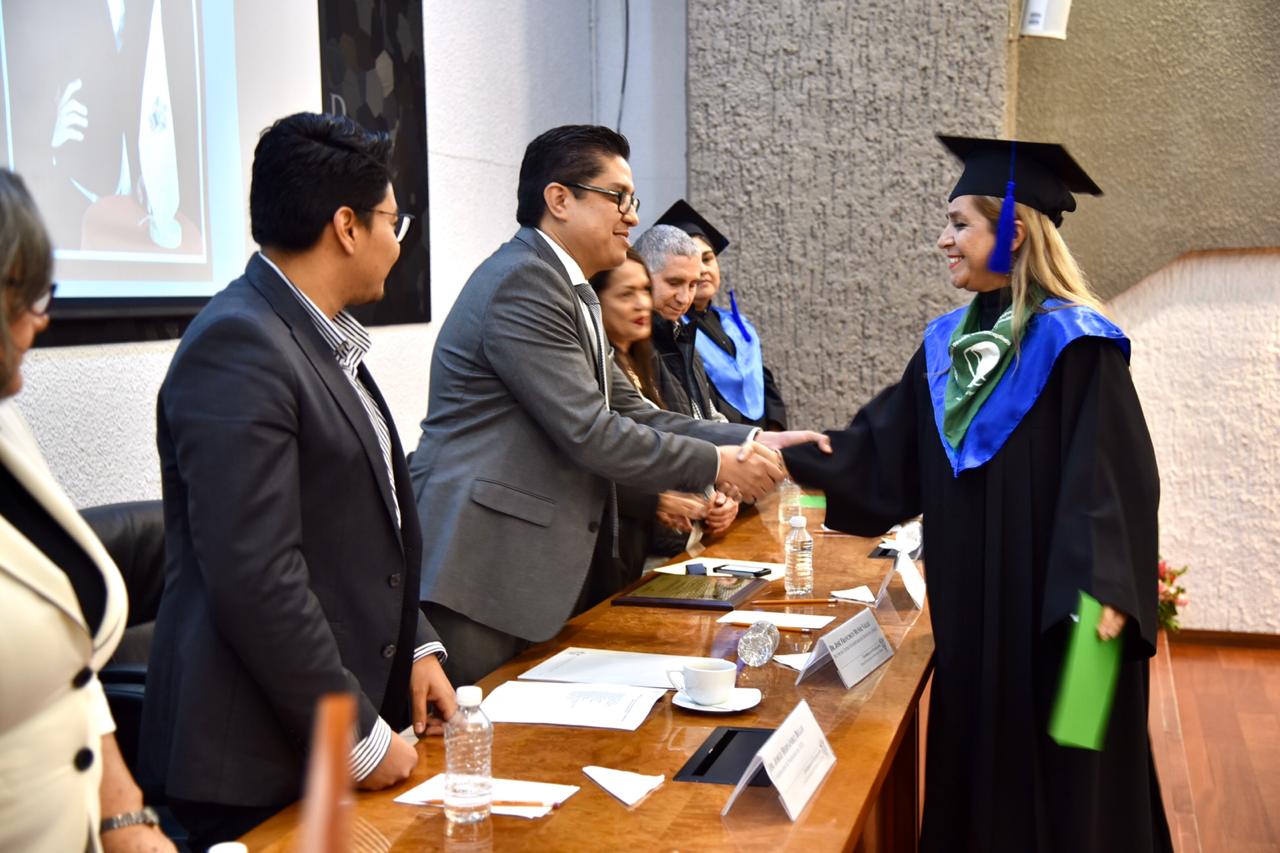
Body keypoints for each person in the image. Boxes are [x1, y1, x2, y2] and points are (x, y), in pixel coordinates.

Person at [783, 135, 1172, 851]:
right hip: (973, 625)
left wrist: (1105, 594)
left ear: (1013, 233)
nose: (943, 239)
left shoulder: (1079, 346)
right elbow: (882, 453)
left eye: (960, 222)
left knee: (1075, 786)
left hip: (1072, 626)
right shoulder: (946, 346)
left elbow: (1114, 485)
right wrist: (790, 454)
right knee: (980, 774)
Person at [140, 113, 455, 850]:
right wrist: (355, 737)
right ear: (346, 226)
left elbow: (356, 527)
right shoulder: (241, 343)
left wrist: (417, 643)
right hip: (251, 759)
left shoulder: (314, 336)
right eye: (391, 218)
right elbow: (258, 574)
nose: (396, 238)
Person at [409, 125, 819, 687]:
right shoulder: (523, 282)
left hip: (524, 568)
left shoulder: (566, 285)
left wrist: (753, 442)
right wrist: (720, 466)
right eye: (618, 197)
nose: (630, 215)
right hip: (482, 568)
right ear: (559, 199)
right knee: (481, 752)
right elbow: (591, 432)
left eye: (633, 201)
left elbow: (635, 411)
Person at [0, 170, 175, 852]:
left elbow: (69, 663)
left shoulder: (8, 423)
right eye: (28, 295)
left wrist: (125, 813)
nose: (43, 318)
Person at [580, 249, 739, 602]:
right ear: (595, 303)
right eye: (626, 294)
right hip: (602, 556)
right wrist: (657, 498)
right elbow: (597, 456)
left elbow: (681, 428)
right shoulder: (590, 368)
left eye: (643, 291)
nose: (642, 304)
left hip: (651, 551)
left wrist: (717, 496)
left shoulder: (648, 359)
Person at [655, 199, 788, 430]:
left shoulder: (736, 325)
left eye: (708, 259)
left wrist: (775, 430)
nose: (703, 270)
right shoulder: (670, 330)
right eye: (695, 262)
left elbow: (762, 379)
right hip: (723, 440)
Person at [634, 224, 728, 422]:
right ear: (641, 274)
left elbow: (707, 415)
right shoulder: (628, 343)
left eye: (693, 285)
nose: (685, 299)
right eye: (674, 283)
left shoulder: (684, 338)